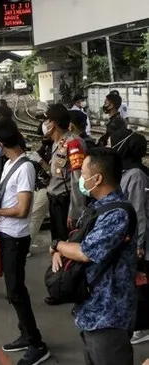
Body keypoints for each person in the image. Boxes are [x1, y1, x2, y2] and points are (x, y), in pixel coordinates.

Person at [50, 148, 137, 365]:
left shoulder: (117, 214)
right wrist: (61, 249)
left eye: (84, 173)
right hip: (92, 310)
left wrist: (57, 245)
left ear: (97, 178)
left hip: (108, 316)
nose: (81, 178)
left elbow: (85, 252)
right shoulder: (101, 208)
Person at [0, 118, 51, 365]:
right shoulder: (9, 163)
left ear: (0, 143)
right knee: (13, 290)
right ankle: (26, 334)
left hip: (16, 238)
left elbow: (22, 210)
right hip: (6, 234)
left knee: (17, 291)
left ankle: (37, 344)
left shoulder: (26, 168)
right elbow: (8, 196)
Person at [110, 129, 149, 345]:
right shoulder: (128, 171)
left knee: (141, 281)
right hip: (133, 238)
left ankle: (143, 326)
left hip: (139, 240)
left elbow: (138, 214)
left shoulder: (135, 175)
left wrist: (138, 245)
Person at [42, 105, 87, 268]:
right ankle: (59, 275)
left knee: (66, 244)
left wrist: (74, 212)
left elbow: (77, 180)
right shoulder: (57, 143)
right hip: (55, 201)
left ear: (53, 123)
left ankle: (67, 277)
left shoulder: (73, 143)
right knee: (57, 243)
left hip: (66, 203)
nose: (45, 124)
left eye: (46, 120)